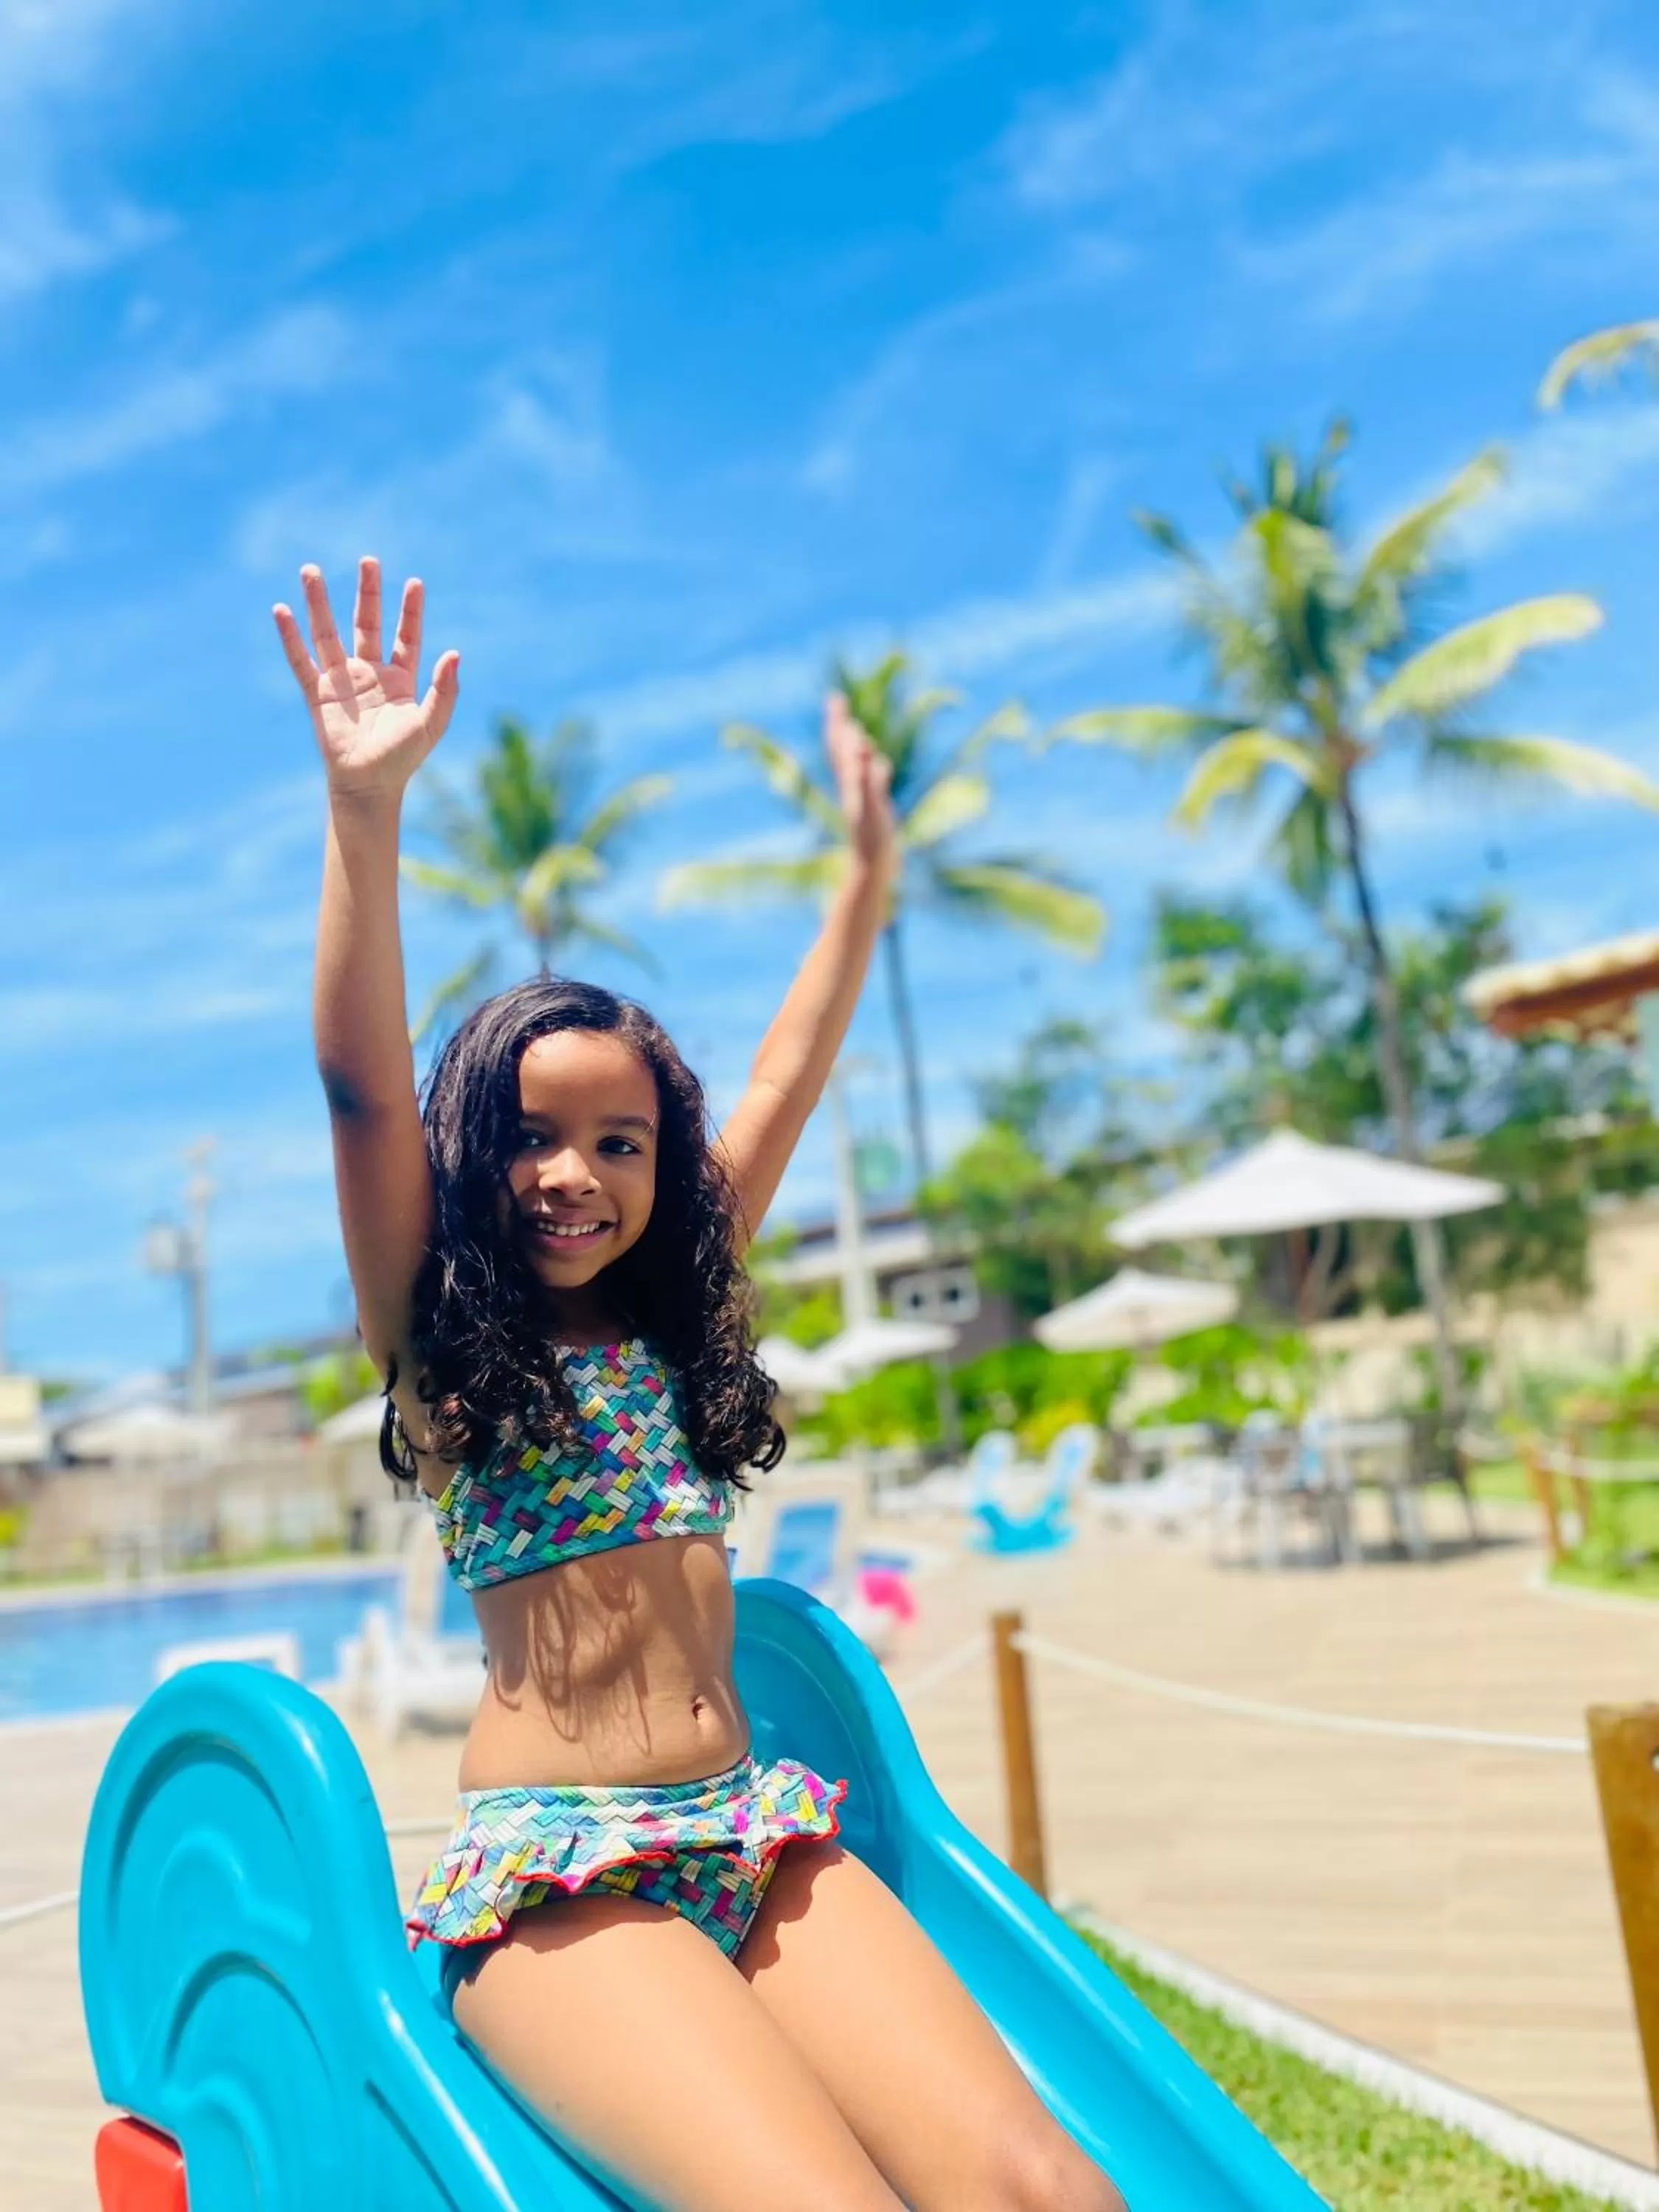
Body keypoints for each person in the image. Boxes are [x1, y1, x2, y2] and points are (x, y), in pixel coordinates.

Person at [274, 557, 1127, 2212]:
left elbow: (792, 1059)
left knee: (1047, 2190)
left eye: (617, 1140)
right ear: (474, 1160)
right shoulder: (445, 1346)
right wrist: (361, 816)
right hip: (563, 1884)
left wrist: (868, 883)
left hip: (756, 1832)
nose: (572, 1173)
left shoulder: (676, 1327)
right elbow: (362, 1092)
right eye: (527, 1137)